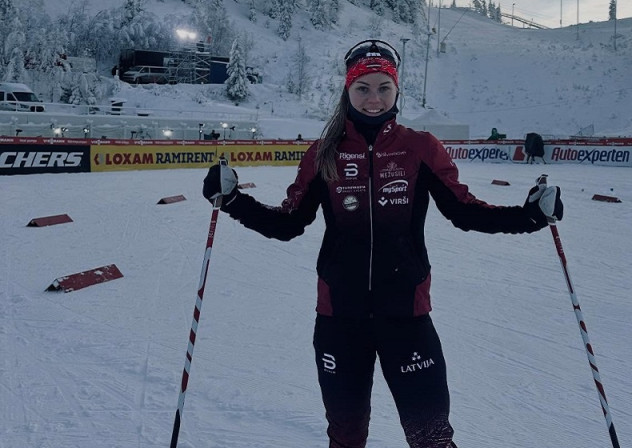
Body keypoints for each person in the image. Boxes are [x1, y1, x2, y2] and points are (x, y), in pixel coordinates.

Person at [202, 39, 564, 448]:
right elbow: (288, 223)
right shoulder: (325, 153)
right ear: (347, 91)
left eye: (383, 88)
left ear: (396, 92)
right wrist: (232, 200)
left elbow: (465, 212)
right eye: (362, 88)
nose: (373, 99)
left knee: (433, 439)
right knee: (346, 438)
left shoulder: (420, 147)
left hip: (406, 316)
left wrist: (530, 215)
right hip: (340, 318)